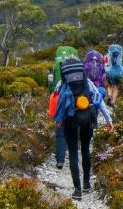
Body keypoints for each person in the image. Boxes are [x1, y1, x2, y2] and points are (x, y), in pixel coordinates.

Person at [54, 56, 114, 200]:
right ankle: (87, 183)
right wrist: (108, 119)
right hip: (86, 117)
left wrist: (58, 120)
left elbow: (57, 100)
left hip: (69, 119)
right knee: (86, 149)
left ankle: (77, 191)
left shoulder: (62, 83)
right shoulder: (87, 82)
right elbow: (98, 100)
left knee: (73, 153)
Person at [49, 46, 78, 169]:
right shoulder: (79, 72)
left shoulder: (56, 67)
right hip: (74, 107)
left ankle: (60, 160)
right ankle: (74, 160)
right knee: (73, 132)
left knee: (60, 133)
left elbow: (52, 89)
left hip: (59, 106)